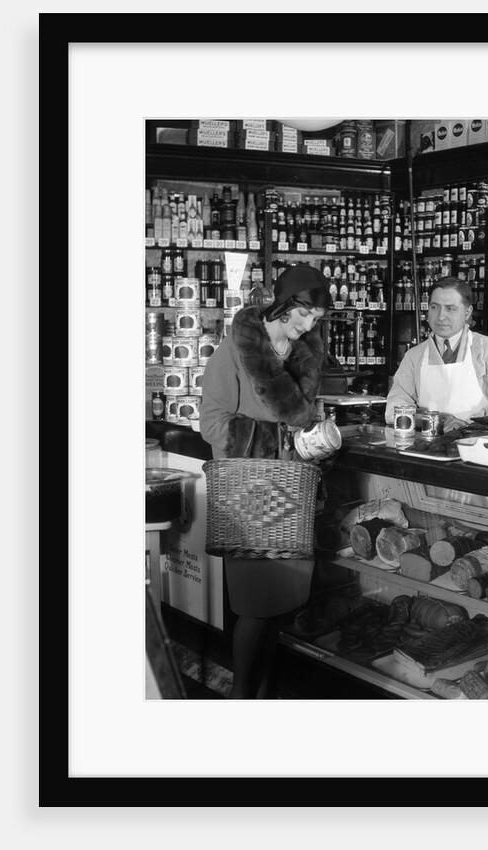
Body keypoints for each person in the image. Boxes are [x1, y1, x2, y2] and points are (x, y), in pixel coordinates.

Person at [199, 264, 332, 699]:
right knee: (255, 608)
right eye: (304, 315)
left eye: (316, 319)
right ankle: (240, 697)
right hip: (249, 494)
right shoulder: (236, 350)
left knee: (284, 606)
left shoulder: (305, 352)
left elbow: (301, 418)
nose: (310, 325)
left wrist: (313, 437)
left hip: (293, 492)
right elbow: (213, 423)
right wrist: (279, 437)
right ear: (285, 303)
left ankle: (263, 697)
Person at [385, 277, 488, 430]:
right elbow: (394, 410)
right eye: (434, 307)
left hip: (480, 445)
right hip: (428, 447)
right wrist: (434, 421)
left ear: (467, 313)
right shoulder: (414, 356)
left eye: (450, 308)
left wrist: (469, 425)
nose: (440, 317)